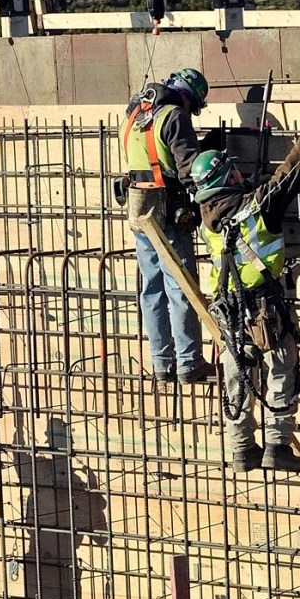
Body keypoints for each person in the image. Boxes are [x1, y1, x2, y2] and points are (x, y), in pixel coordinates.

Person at [191, 103, 300, 472]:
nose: (242, 173)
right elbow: (290, 175)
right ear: (228, 177)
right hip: (264, 309)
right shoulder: (257, 207)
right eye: (236, 171)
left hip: (226, 311)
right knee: (280, 369)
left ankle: (241, 449)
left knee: (238, 377)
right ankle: (277, 446)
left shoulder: (206, 218)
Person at [119, 68, 215, 385]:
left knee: (151, 290)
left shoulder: (135, 112)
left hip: (140, 208)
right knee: (180, 286)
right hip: (169, 211)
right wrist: (209, 158)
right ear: (189, 98)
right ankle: (189, 362)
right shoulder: (175, 116)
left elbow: (150, 155)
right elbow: (189, 172)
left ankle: (162, 364)